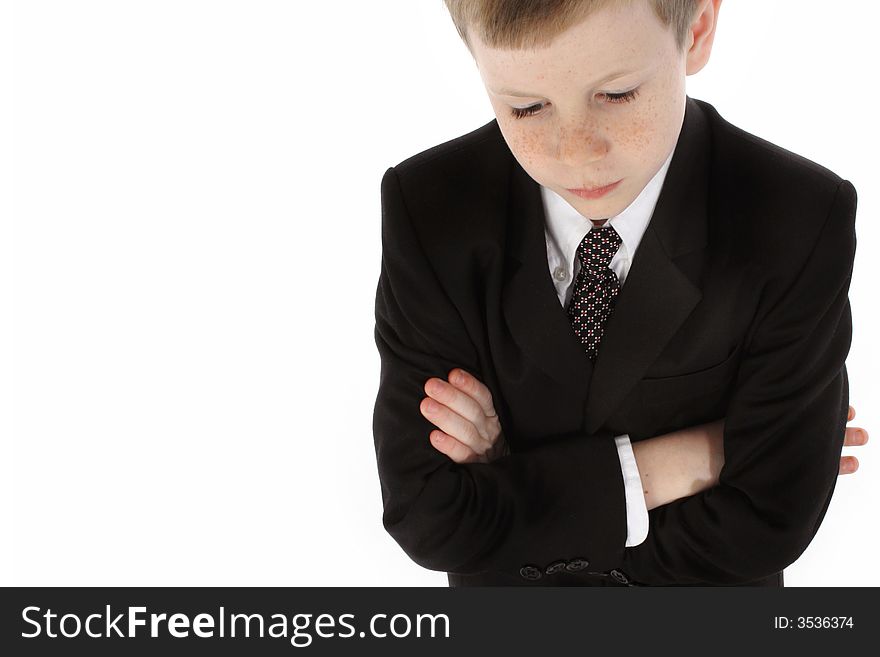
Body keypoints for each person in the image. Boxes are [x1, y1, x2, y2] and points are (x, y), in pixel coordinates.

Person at [371, 0, 868, 586]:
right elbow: (428, 518)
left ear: (698, 30)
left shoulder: (796, 219)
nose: (576, 152)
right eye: (527, 107)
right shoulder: (431, 209)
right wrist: (699, 456)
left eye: (618, 94)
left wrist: (513, 482)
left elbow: (768, 518)